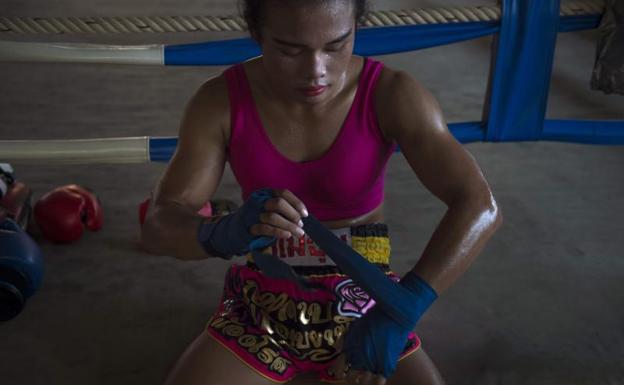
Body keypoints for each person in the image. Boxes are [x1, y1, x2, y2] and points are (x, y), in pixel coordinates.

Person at [139, 0, 503, 384]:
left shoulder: (391, 94)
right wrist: (221, 232)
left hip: (367, 298)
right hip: (264, 297)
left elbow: (480, 205)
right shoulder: (220, 102)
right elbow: (159, 224)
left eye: (335, 45)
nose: (316, 70)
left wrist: (406, 306)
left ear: (356, 28)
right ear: (256, 34)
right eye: (289, 49)